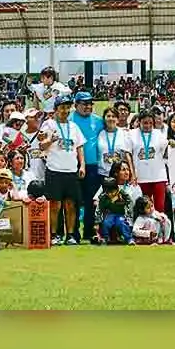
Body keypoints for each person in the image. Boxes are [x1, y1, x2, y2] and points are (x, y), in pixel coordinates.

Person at [39, 95, 86, 245]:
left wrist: (82, 165)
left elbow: (79, 147)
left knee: (71, 204)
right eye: (62, 107)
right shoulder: (48, 124)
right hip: (54, 169)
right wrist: (51, 140)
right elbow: (41, 146)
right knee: (55, 204)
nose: (65, 110)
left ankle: (70, 234)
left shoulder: (74, 126)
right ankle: (54, 234)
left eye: (67, 107)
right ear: (55, 109)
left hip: (71, 170)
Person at [71, 91, 105, 243]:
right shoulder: (70, 119)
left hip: (93, 165)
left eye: (90, 103)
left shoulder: (98, 120)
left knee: (91, 200)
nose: (87, 106)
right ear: (76, 105)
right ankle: (73, 232)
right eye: (84, 104)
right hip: (73, 164)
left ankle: (89, 231)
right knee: (75, 200)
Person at [129, 111, 167, 213]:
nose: (148, 125)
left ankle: (161, 228)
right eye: (145, 123)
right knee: (143, 209)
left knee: (160, 207)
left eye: (150, 123)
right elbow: (128, 154)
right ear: (139, 122)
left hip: (158, 176)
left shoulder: (159, 134)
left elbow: (164, 152)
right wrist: (132, 174)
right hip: (140, 176)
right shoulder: (131, 134)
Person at [97, 176, 134, 245]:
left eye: (112, 192)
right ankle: (105, 238)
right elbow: (99, 208)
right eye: (108, 193)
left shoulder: (123, 194)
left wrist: (129, 213)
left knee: (121, 223)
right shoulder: (103, 197)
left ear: (116, 188)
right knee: (106, 222)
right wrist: (97, 221)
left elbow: (129, 202)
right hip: (110, 214)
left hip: (121, 214)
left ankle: (129, 239)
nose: (110, 194)